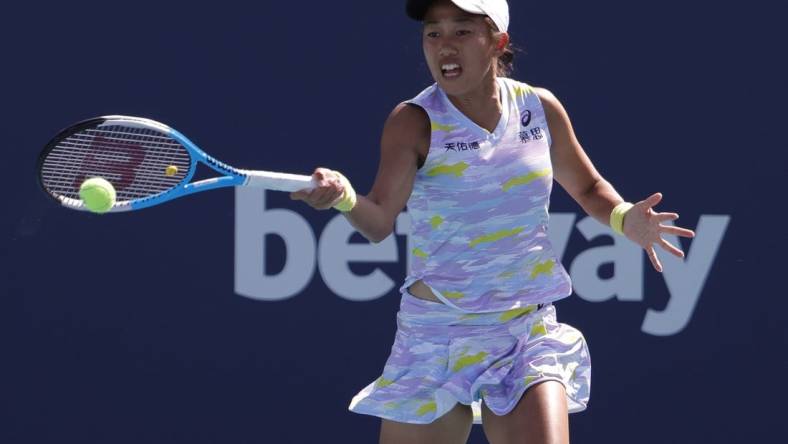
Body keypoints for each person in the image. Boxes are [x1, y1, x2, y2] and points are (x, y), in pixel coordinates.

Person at [291, 0, 696, 442]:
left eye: (462, 32)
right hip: (435, 336)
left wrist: (623, 217)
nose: (444, 47)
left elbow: (587, 187)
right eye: (433, 33)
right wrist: (344, 197)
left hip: (524, 332)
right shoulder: (413, 122)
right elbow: (378, 222)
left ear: (497, 42)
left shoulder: (539, 108)